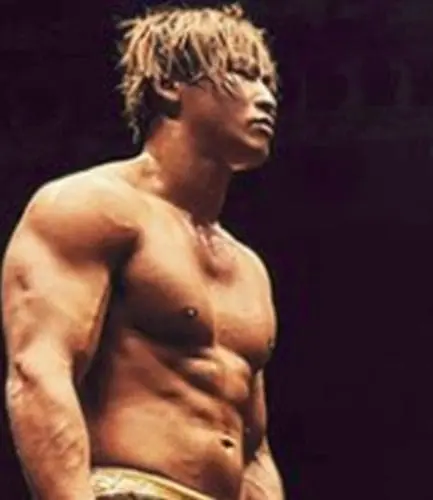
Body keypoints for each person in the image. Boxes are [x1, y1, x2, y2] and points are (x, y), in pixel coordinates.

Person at [2, 4, 283, 499]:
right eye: (241, 75)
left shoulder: (248, 268)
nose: (265, 97)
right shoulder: (91, 206)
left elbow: (253, 447)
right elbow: (40, 372)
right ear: (170, 86)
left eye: (267, 82)